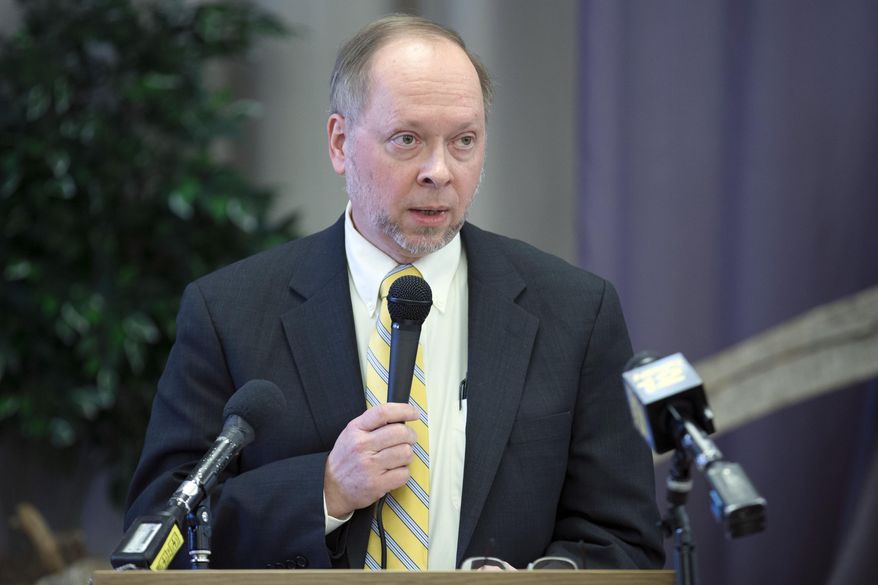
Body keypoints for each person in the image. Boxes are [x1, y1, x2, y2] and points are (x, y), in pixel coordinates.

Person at [124, 14, 664, 571]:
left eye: (464, 141)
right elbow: (156, 533)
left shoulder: (575, 312)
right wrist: (324, 491)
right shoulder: (229, 312)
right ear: (339, 143)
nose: (440, 171)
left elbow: (621, 540)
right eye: (407, 140)